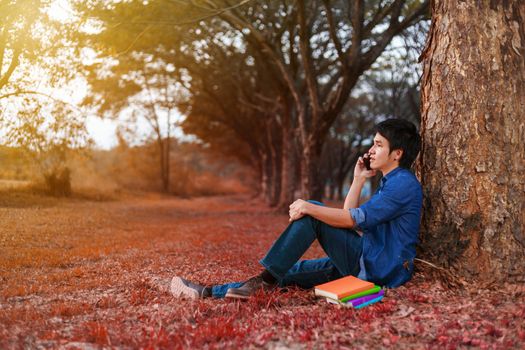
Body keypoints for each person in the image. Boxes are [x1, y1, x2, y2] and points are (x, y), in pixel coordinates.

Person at [171, 118, 422, 300]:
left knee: (312, 209)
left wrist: (307, 207)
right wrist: (358, 179)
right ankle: (206, 292)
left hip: (378, 270)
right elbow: (351, 217)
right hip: (366, 259)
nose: (371, 150)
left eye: (378, 144)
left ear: (397, 153)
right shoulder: (391, 181)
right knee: (289, 273)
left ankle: (264, 281)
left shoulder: (402, 185)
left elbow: (348, 220)